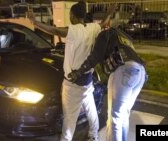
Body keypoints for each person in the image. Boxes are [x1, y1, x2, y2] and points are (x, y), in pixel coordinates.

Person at [27, 1, 116, 141]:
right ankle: (94, 136)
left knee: (69, 120)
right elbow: (104, 23)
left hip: (73, 84)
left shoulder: (73, 30)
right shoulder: (93, 27)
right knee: (91, 110)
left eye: (70, 14)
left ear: (73, 16)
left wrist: (35, 22)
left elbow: (55, 31)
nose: (69, 17)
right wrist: (110, 12)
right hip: (87, 79)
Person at [68, 28, 147, 141]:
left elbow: (96, 56)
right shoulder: (122, 35)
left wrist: (79, 72)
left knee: (115, 118)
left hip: (124, 71)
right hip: (139, 72)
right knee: (123, 115)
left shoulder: (104, 34)